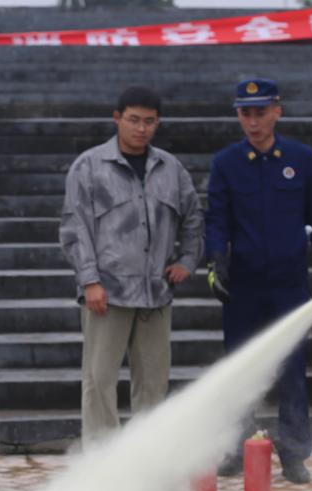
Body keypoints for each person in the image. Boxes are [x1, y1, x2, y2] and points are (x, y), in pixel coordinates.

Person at [205, 79, 312, 484]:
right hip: (243, 286)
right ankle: (235, 448)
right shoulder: (226, 163)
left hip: (288, 285)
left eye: (260, 112)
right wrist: (216, 261)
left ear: (277, 111)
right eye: (245, 113)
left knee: (292, 370)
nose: (253, 121)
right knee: (239, 368)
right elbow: (216, 219)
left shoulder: (301, 159)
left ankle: (294, 453)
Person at [60, 86, 204, 448]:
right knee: (99, 380)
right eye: (134, 120)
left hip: (156, 293)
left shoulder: (170, 169)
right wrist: (89, 280)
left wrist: (187, 260)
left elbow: (193, 218)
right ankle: (102, 461)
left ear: (158, 123)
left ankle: (145, 459)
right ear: (117, 118)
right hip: (106, 294)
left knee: (154, 384)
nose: (141, 128)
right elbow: (75, 228)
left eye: (149, 122)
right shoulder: (89, 167)